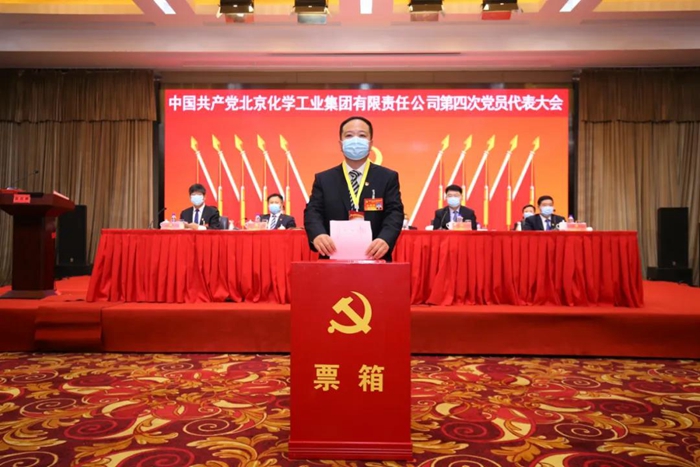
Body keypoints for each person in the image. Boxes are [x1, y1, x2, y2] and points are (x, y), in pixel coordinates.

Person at [304, 116, 404, 260]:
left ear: (370, 143)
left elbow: (394, 212)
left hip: (376, 257)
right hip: (332, 258)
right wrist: (318, 234)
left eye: (362, 135)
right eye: (349, 135)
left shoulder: (387, 177)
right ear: (341, 143)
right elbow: (313, 212)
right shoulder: (324, 179)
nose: (355, 140)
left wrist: (385, 239)